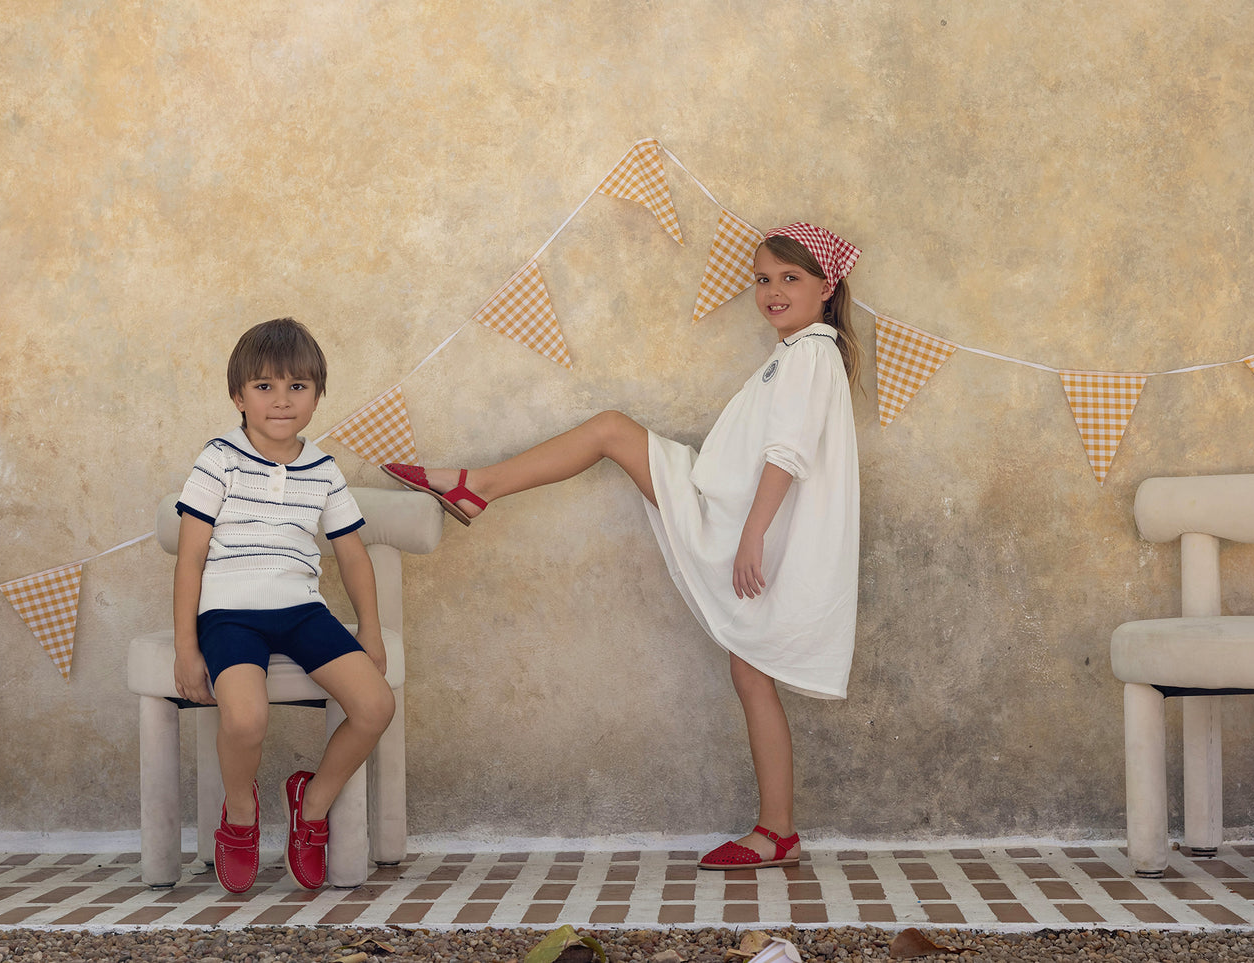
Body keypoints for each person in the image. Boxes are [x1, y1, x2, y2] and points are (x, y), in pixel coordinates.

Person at [384, 223, 861, 870]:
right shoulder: (796, 352)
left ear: (825, 287)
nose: (772, 291)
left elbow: (787, 454)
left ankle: (477, 486)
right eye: (762, 278)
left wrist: (750, 535)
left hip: (739, 526)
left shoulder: (809, 353)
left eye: (790, 278)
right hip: (725, 508)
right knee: (749, 673)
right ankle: (777, 829)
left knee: (611, 431)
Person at [173, 317, 395, 893]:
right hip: (228, 613)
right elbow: (190, 560)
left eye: (297, 387)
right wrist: (186, 648)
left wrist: (370, 632)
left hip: (300, 610)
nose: (281, 400)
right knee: (246, 717)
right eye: (265, 386)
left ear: (317, 396)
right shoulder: (218, 457)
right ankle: (241, 812)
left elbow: (351, 556)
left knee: (375, 705)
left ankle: (311, 802)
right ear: (237, 395)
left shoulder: (321, 468)